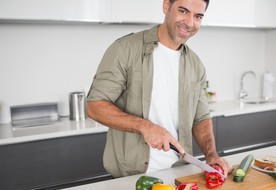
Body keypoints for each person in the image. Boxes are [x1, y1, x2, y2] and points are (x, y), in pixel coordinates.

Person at [87, 0, 233, 178]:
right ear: (166, 7)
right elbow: (94, 106)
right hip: (131, 175)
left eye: (198, 16)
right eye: (183, 11)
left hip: (179, 173)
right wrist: (145, 127)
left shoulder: (196, 65)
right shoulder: (125, 49)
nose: (189, 22)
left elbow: (200, 117)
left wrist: (211, 155)